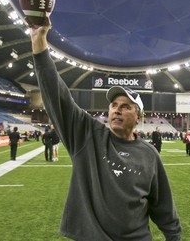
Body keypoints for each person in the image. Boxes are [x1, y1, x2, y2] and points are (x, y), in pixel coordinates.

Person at [30, 18, 181, 241]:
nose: (117, 110)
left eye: (125, 107)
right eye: (113, 106)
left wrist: (174, 237)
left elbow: (163, 206)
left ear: (139, 117)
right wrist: (39, 41)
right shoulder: (87, 135)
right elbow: (57, 95)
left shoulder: (150, 155)